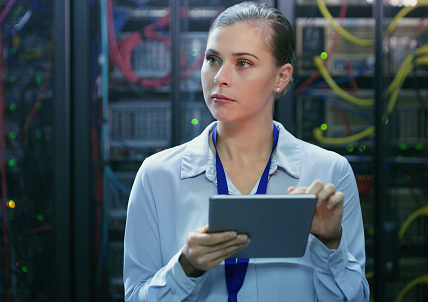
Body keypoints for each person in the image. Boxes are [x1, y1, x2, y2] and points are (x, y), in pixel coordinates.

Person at [123, 2, 370, 301]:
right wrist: (186, 267)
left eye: (242, 63)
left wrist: (332, 244)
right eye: (213, 59)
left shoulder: (329, 173)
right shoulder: (157, 176)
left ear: (281, 78)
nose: (219, 77)